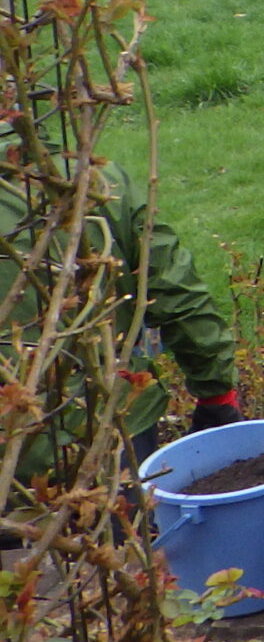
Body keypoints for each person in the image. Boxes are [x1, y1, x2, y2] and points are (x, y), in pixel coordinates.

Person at [1, 158, 237, 483]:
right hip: (113, 417)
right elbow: (173, 288)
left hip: (18, 444)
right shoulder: (95, 179)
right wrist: (216, 391)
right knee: (123, 512)